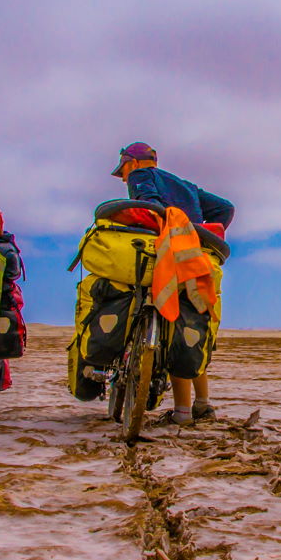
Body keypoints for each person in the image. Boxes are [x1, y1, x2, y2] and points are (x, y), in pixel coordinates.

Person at [112, 142, 234, 425]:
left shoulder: (140, 176)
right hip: (195, 256)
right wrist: (202, 233)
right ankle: (202, 404)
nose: (124, 177)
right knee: (192, 324)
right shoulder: (185, 185)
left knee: (173, 324)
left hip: (168, 254)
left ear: (131, 162)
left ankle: (181, 413)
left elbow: (150, 207)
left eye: (123, 170)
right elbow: (225, 209)